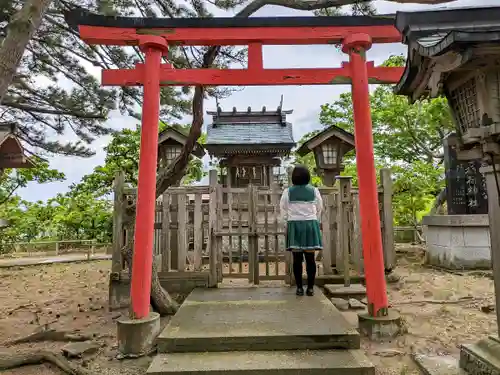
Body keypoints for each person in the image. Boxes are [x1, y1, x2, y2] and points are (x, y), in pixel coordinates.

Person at [280, 165, 323, 296]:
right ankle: (310, 288)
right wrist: (314, 219)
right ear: (308, 177)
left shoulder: (288, 192)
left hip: (295, 225)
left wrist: (287, 221)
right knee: (310, 259)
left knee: (297, 259)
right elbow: (320, 207)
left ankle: (299, 288)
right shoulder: (314, 191)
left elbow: (283, 209)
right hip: (310, 224)